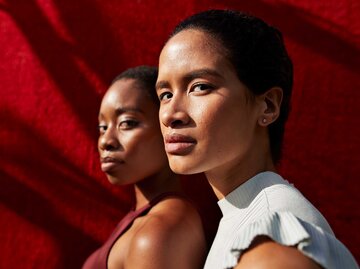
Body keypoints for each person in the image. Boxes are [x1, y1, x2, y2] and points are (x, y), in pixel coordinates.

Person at [156, 9, 358, 269]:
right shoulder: (244, 220)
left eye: (200, 86)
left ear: (268, 106)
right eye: (165, 94)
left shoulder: (271, 243)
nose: (171, 114)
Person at [83, 66, 207, 269]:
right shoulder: (146, 217)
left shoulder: (162, 229)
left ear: (167, 125)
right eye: (102, 127)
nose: (106, 141)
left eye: (127, 123)